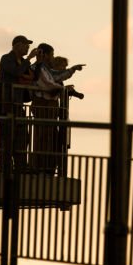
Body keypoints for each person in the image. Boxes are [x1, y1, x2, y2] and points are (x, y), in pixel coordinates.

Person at [30, 44, 84, 174]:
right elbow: (49, 84)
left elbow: (56, 76)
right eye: (52, 54)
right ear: (45, 54)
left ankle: (46, 167)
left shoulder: (44, 68)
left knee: (50, 136)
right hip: (43, 105)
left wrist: (72, 70)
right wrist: (63, 89)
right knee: (43, 137)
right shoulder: (37, 67)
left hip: (48, 105)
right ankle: (41, 167)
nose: (53, 57)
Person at [0, 34, 36, 173]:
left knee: (23, 136)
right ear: (17, 45)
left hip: (16, 103)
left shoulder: (22, 61)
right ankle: (5, 168)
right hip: (4, 102)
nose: (28, 48)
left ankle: (21, 167)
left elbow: (32, 75)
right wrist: (28, 60)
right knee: (7, 137)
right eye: (25, 45)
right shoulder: (7, 59)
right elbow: (16, 72)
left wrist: (38, 62)